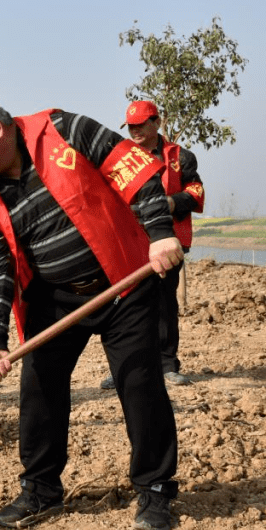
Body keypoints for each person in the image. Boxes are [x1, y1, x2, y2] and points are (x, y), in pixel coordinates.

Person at [0, 90, 183, 530]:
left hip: (124, 281)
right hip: (57, 297)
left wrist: (160, 232)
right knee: (39, 385)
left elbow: (135, 171)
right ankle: (41, 488)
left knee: (140, 382)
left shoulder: (64, 130)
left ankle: (155, 488)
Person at [101, 100, 206, 389]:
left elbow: (195, 192)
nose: (134, 131)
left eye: (140, 125)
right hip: (128, 242)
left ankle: (167, 365)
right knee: (124, 305)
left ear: (156, 123)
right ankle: (124, 366)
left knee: (163, 303)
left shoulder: (180, 157)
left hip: (165, 242)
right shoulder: (119, 157)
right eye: (130, 126)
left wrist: (171, 202)